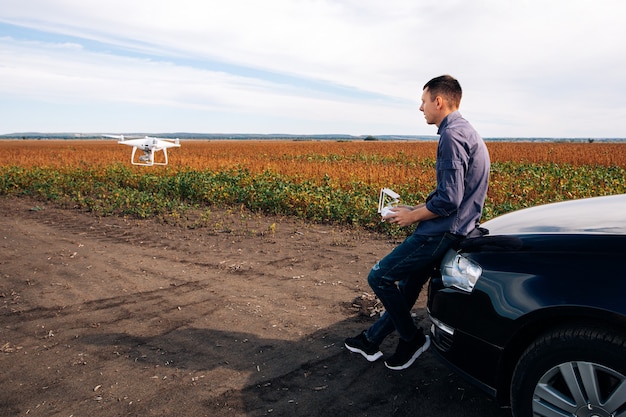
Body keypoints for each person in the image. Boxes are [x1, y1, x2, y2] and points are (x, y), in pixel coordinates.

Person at [344, 75, 490, 370]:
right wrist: (413, 207)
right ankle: (372, 340)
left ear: (438, 101)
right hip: (454, 226)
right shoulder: (465, 131)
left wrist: (412, 216)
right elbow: (453, 196)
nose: (421, 108)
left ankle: (411, 339)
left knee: (380, 277)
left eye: (423, 101)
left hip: (442, 231)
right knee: (410, 284)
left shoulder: (451, 136)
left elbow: (449, 200)